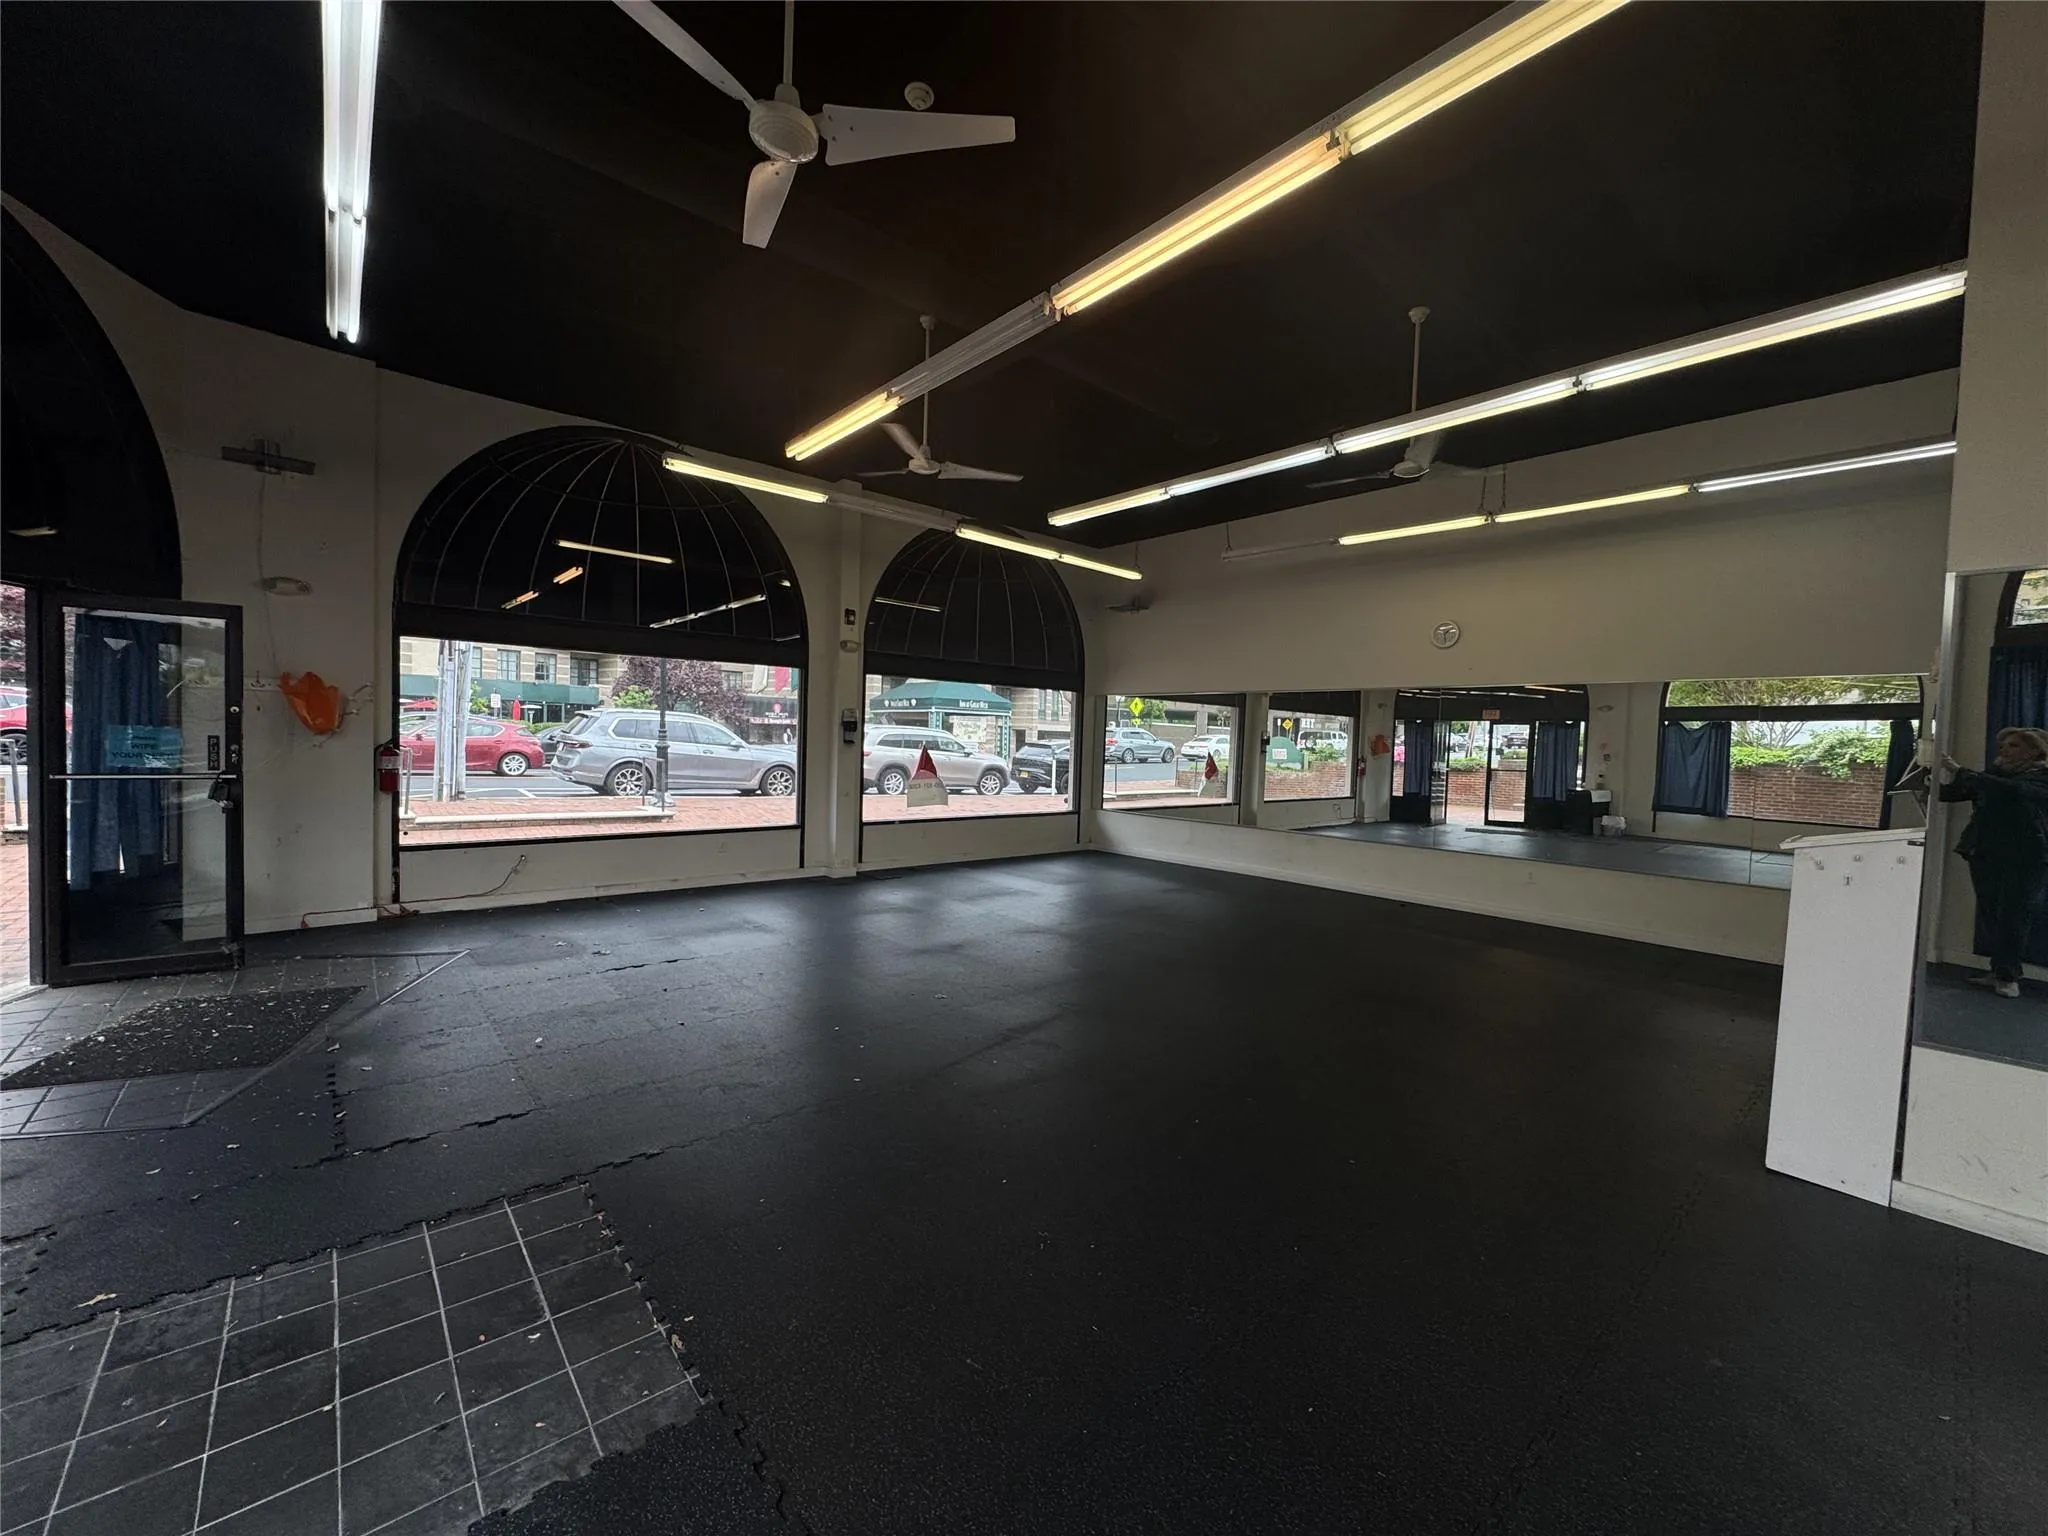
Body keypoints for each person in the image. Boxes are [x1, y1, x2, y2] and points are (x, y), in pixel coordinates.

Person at [1939, 727, 2048, 998]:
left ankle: (2008, 977)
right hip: (1986, 854)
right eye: (2004, 745)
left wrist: (1962, 770)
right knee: (1991, 913)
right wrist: (1927, 782)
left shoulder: (2041, 777)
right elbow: (1956, 792)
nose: (2004, 750)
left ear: (2034, 751)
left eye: (2013, 746)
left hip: (2025, 858)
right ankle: (1998, 969)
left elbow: (2015, 791)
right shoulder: (1995, 775)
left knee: (2014, 916)